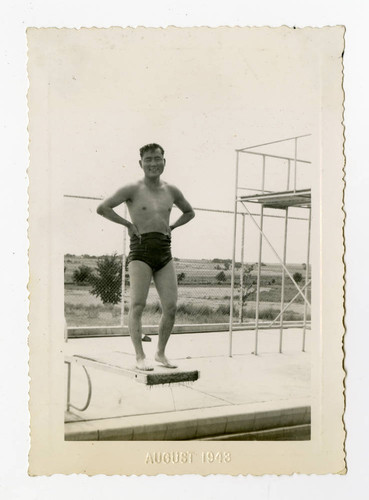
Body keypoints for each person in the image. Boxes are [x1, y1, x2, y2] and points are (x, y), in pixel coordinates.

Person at [97, 143, 195, 371]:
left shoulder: (172, 191)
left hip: (164, 251)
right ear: (141, 163)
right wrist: (128, 224)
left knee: (170, 307)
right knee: (138, 304)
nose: (153, 163)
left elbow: (189, 212)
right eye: (148, 159)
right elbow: (103, 208)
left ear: (164, 162)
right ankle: (140, 356)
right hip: (140, 251)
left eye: (157, 159)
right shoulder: (132, 188)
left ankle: (160, 353)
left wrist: (173, 226)